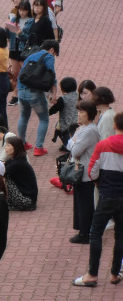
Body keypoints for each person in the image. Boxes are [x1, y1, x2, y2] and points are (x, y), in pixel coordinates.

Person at [72, 112, 123, 287]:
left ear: (115, 126)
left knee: (95, 233)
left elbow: (92, 171)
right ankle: (115, 273)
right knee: (121, 235)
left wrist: (98, 184)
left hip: (106, 194)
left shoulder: (103, 145)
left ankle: (92, 274)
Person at [66, 100, 100, 244]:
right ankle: (83, 231)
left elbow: (74, 149)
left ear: (89, 114)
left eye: (81, 112)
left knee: (85, 204)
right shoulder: (83, 128)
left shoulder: (88, 130)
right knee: (81, 202)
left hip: (85, 172)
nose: (78, 115)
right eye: (78, 111)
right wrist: (74, 141)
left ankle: (85, 233)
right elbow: (71, 146)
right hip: (81, 171)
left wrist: (73, 141)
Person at [17, 40, 58, 156]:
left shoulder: (31, 56)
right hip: (34, 93)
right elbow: (52, 75)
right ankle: (38, 147)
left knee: (24, 116)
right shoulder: (49, 56)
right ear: (52, 50)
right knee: (44, 118)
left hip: (21, 91)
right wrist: (53, 94)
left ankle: (22, 144)